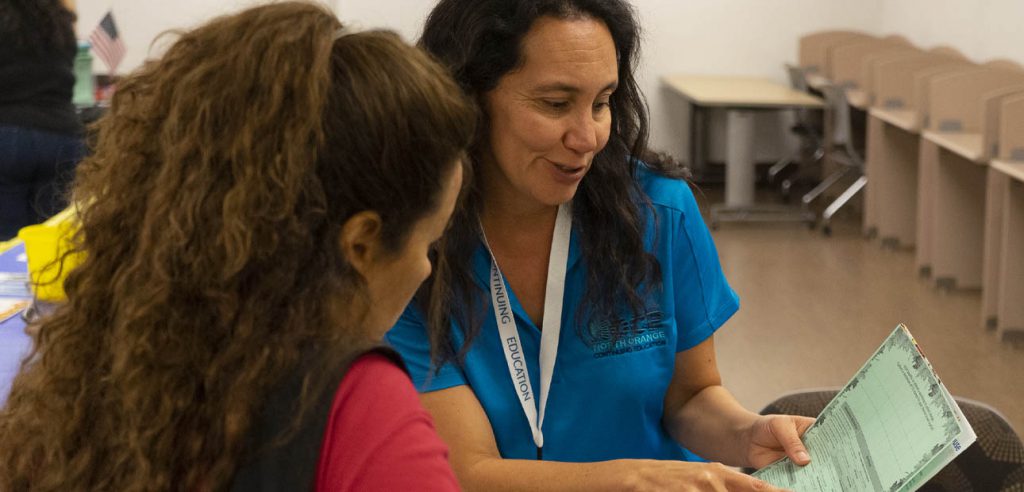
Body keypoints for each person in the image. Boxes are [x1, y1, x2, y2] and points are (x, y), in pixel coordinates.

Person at [0, 3, 475, 491]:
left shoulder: (96, 365)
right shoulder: (354, 400)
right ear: (360, 243)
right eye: (429, 244)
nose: (425, 269)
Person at [386, 0, 815, 490]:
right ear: (467, 99)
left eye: (602, 102)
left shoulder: (659, 212)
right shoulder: (415, 245)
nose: (587, 137)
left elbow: (690, 396)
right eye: (554, 104)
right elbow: (468, 471)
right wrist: (631, 480)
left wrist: (746, 434)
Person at [0, 0, 86, 240]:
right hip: (63, 137)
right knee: (55, 242)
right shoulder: (58, 20)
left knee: (6, 247)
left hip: (7, 137)